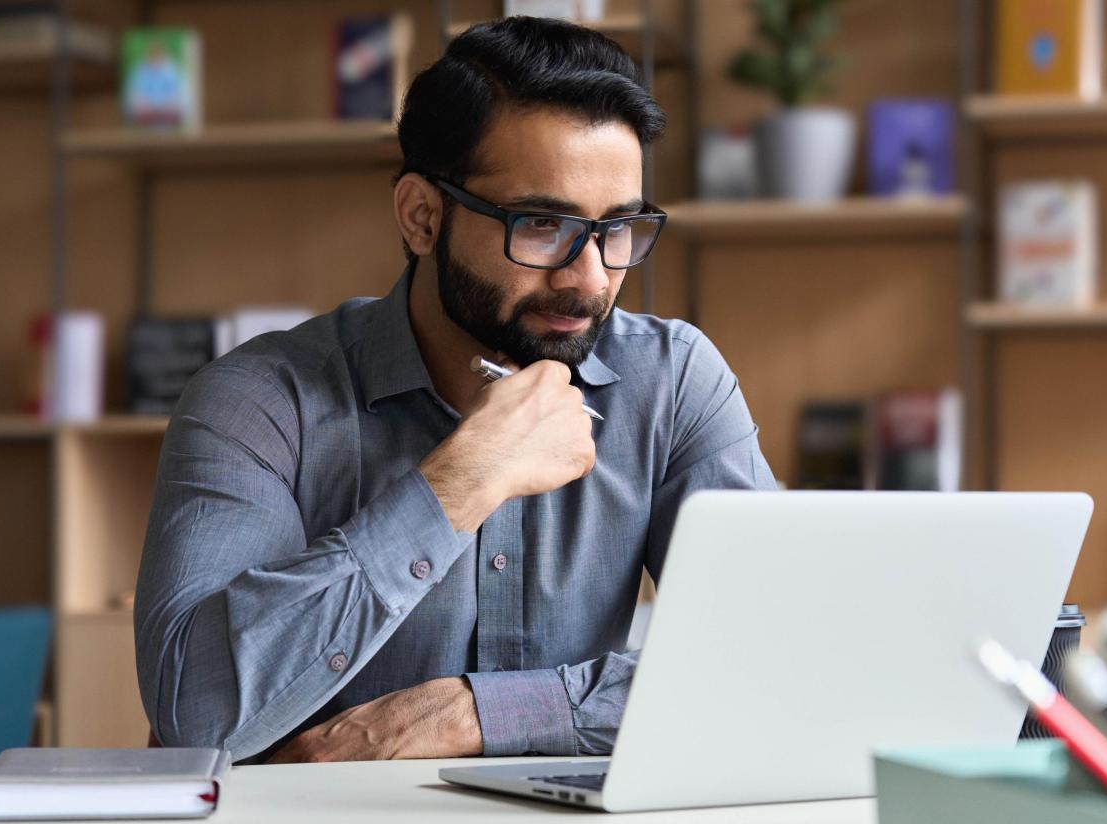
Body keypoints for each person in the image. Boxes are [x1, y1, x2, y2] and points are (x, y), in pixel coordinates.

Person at [134, 16, 776, 765]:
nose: (592, 278)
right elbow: (196, 715)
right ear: (421, 216)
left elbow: (778, 660)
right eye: (542, 224)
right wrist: (459, 482)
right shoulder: (258, 402)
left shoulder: (673, 382)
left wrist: (471, 714)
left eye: (619, 229)